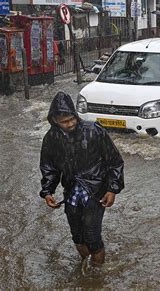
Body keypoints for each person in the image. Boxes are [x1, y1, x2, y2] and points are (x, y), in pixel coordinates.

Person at [39, 92, 124, 266]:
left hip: (95, 190)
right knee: (77, 236)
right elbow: (49, 167)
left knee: (93, 237)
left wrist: (112, 189)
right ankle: (86, 268)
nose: (69, 124)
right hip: (71, 192)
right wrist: (47, 191)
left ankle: (97, 276)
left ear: (76, 115)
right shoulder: (51, 138)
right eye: (64, 121)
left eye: (72, 119)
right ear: (54, 120)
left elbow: (114, 161)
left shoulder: (94, 131)